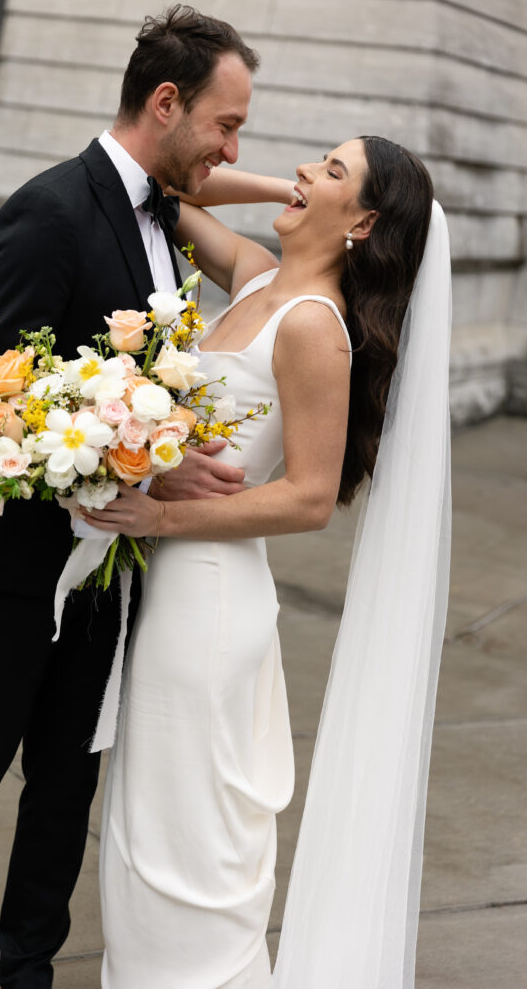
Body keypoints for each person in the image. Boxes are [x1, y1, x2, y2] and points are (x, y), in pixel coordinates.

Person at [0, 6, 260, 989]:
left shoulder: (163, 214)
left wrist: (169, 443)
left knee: (64, 779)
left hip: (107, 563)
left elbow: (156, 350)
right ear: (165, 102)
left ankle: (27, 968)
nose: (231, 147)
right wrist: (150, 466)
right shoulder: (49, 211)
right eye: (225, 124)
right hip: (14, 563)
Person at [81, 137, 452, 986]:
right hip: (169, 582)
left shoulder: (315, 326)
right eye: (312, 160)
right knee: (146, 825)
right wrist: (287, 183)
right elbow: (166, 190)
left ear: (362, 222)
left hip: (207, 600)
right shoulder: (252, 278)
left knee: (187, 834)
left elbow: (309, 498)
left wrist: (161, 520)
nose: (301, 174)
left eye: (329, 172)